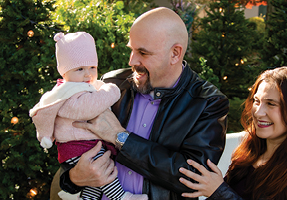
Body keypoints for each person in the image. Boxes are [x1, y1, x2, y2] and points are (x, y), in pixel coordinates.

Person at [57, 7, 229, 200]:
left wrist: (119, 137)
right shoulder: (111, 85)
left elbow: (193, 177)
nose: (132, 60)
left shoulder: (208, 103)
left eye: (143, 53)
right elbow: (74, 142)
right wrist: (73, 178)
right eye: (132, 49)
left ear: (175, 54)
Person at [179, 66, 287, 200]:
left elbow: (221, 193)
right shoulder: (248, 154)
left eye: (271, 104)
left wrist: (219, 192)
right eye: (257, 101)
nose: (258, 112)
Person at [29, 32, 147, 200]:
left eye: (92, 67)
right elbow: (81, 109)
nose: (87, 74)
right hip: (77, 147)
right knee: (102, 169)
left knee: (96, 183)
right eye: (80, 69)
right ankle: (121, 197)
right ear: (64, 72)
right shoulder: (67, 93)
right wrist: (111, 91)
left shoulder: (86, 86)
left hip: (86, 145)